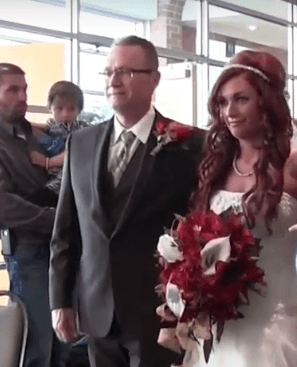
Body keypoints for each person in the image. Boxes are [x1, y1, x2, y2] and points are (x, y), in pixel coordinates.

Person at [49, 36, 205, 367]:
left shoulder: (189, 145)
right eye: (108, 72)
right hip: (96, 308)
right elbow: (66, 231)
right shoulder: (81, 143)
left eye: (125, 72)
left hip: (157, 310)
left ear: (155, 79)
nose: (113, 81)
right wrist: (60, 300)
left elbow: (199, 226)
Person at [190, 49, 297, 367]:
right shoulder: (216, 167)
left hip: (280, 324)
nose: (229, 110)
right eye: (222, 101)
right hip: (223, 329)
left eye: (240, 99)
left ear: (266, 102)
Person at [0, 63, 67, 367]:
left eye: (24, 89)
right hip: (28, 249)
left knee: (67, 342)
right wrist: (55, 219)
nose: (23, 96)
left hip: (62, 249)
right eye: (13, 90)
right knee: (37, 343)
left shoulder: (35, 133)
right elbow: (4, 204)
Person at [29, 81, 90, 194]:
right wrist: (24, 124)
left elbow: (73, 151)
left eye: (71, 109)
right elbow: (43, 128)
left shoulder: (80, 128)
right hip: (51, 177)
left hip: (69, 176)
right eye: (59, 109)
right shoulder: (52, 124)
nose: (65, 114)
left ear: (79, 110)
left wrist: (48, 162)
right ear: (50, 109)